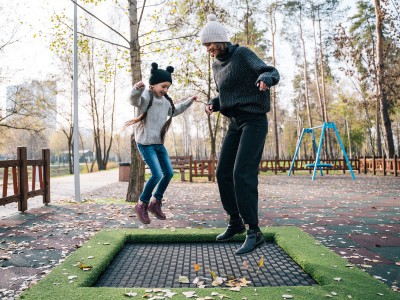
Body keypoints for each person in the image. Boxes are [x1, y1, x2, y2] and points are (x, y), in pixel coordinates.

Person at [199, 14, 280, 255]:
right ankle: (235, 222)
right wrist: (214, 103)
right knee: (223, 172)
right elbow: (226, 95)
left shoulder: (242, 54)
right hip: (234, 122)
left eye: (209, 44)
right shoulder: (216, 65)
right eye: (204, 46)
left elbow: (270, 71)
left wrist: (265, 79)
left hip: (254, 120)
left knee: (241, 173)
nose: (207, 50)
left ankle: (254, 231)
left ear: (219, 40)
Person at [126, 62, 197, 224]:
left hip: (158, 143)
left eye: (167, 88)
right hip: (145, 143)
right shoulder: (145, 96)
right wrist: (136, 89)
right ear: (153, 84)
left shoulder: (165, 101)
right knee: (156, 174)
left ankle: (155, 202)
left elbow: (175, 111)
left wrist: (189, 101)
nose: (165, 90)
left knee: (169, 173)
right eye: (163, 86)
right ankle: (141, 204)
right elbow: (133, 100)